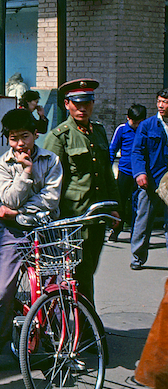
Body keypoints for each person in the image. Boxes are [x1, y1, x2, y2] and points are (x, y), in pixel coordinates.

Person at [0, 108, 62, 379]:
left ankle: (58, 348)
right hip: (12, 234)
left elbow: (51, 200)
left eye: (25, 136)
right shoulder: (2, 164)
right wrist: (26, 172)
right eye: (13, 138)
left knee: (53, 291)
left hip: (45, 232)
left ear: (36, 134)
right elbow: (7, 199)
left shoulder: (52, 159)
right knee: (2, 293)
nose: (20, 144)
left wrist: (18, 212)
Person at [42, 78, 119, 304]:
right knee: (78, 274)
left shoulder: (99, 133)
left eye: (88, 102)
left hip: (96, 216)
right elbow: (49, 180)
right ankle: (84, 327)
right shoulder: (59, 136)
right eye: (77, 103)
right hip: (72, 217)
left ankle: (83, 322)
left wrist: (114, 207)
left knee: (88, 270)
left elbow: (106, 173)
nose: (83, 108)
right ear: (67, 104)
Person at [129, 90, 168, 270]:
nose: (161, 105)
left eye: (165, 102)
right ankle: (138, 257)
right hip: (151, 180)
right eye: (159, 101)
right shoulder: (147, 125)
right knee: (143, 219)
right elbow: (136, 151)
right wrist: (140, 173)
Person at [109, 103, 146, 241]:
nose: (136, 125)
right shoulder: (122, 129)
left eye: (139, 122)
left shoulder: (145, 130)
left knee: (138, 204)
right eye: (133, 122)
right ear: (127, 118)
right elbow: (112, 149)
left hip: (140, 173)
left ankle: (135, 234)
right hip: (125, 171)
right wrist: (108, 168)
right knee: (120, 203)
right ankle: (116, 229)